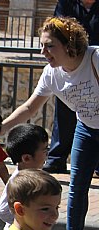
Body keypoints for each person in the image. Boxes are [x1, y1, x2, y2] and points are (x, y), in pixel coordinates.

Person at [0, 17, 99, 230]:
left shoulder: (94, 59)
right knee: (77, 186)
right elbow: (30, 107)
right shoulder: (51, 74)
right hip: (86, 129)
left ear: (69, 45)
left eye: (49, 46)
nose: (43, 51)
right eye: (42, 45)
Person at [44, 0, 99, 174]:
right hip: (72, 62)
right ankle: (56, 158)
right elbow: (58, 29)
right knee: (64, 112)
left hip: (93, 62)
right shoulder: (66, 3)